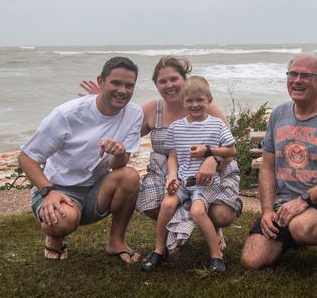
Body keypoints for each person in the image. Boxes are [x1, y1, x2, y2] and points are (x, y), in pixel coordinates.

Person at [79, 56, 242, 251]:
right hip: (168, 173)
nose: (169, 85)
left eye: (174, 79)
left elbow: (230, 149)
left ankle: (214, 228)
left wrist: (213, 159)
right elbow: (124, 132)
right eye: (162, 81)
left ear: (185, 79)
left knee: (222, 214)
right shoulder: (151, 109)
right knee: (151, 204)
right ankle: (176, 229)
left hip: (211, 173)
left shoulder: (206, 107)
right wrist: (104, 100)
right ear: (156, 86)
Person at [19, 57, 143, 263]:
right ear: (101, 82)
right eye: (116, 83)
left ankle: (116, 242)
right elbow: (26, 157)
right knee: (62, 222)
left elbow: (117, 166)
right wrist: (47, 192)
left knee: (129, 175)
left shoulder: (133, 113)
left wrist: (119, 153)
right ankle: (55, 238)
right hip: (59, 188)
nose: (123, 90)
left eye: (129, 85)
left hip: (96, 187)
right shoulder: (66, 114)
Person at [240, 53, 317, 271]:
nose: (297, 80)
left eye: (306, 75)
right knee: (251, 260)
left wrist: (303, 201)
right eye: (292, 74)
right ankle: (290, 236)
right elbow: (266, 167)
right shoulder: (279, 114)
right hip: (285, 201)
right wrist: (266, 210)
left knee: (301, 228)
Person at [141, 76, 236, 274]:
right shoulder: (176, 127)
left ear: (209, 100)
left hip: (206, 183)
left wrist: (209, 151)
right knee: (167, 204)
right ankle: (159, 250)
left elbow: (231, 151)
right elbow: (173, 156)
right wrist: (172, 177)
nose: (195, 105)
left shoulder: (217, 125)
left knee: (197, 211)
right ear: (183, 102)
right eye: (190, 101)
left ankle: (216, 255)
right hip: (183, 180)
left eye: (200, 100)